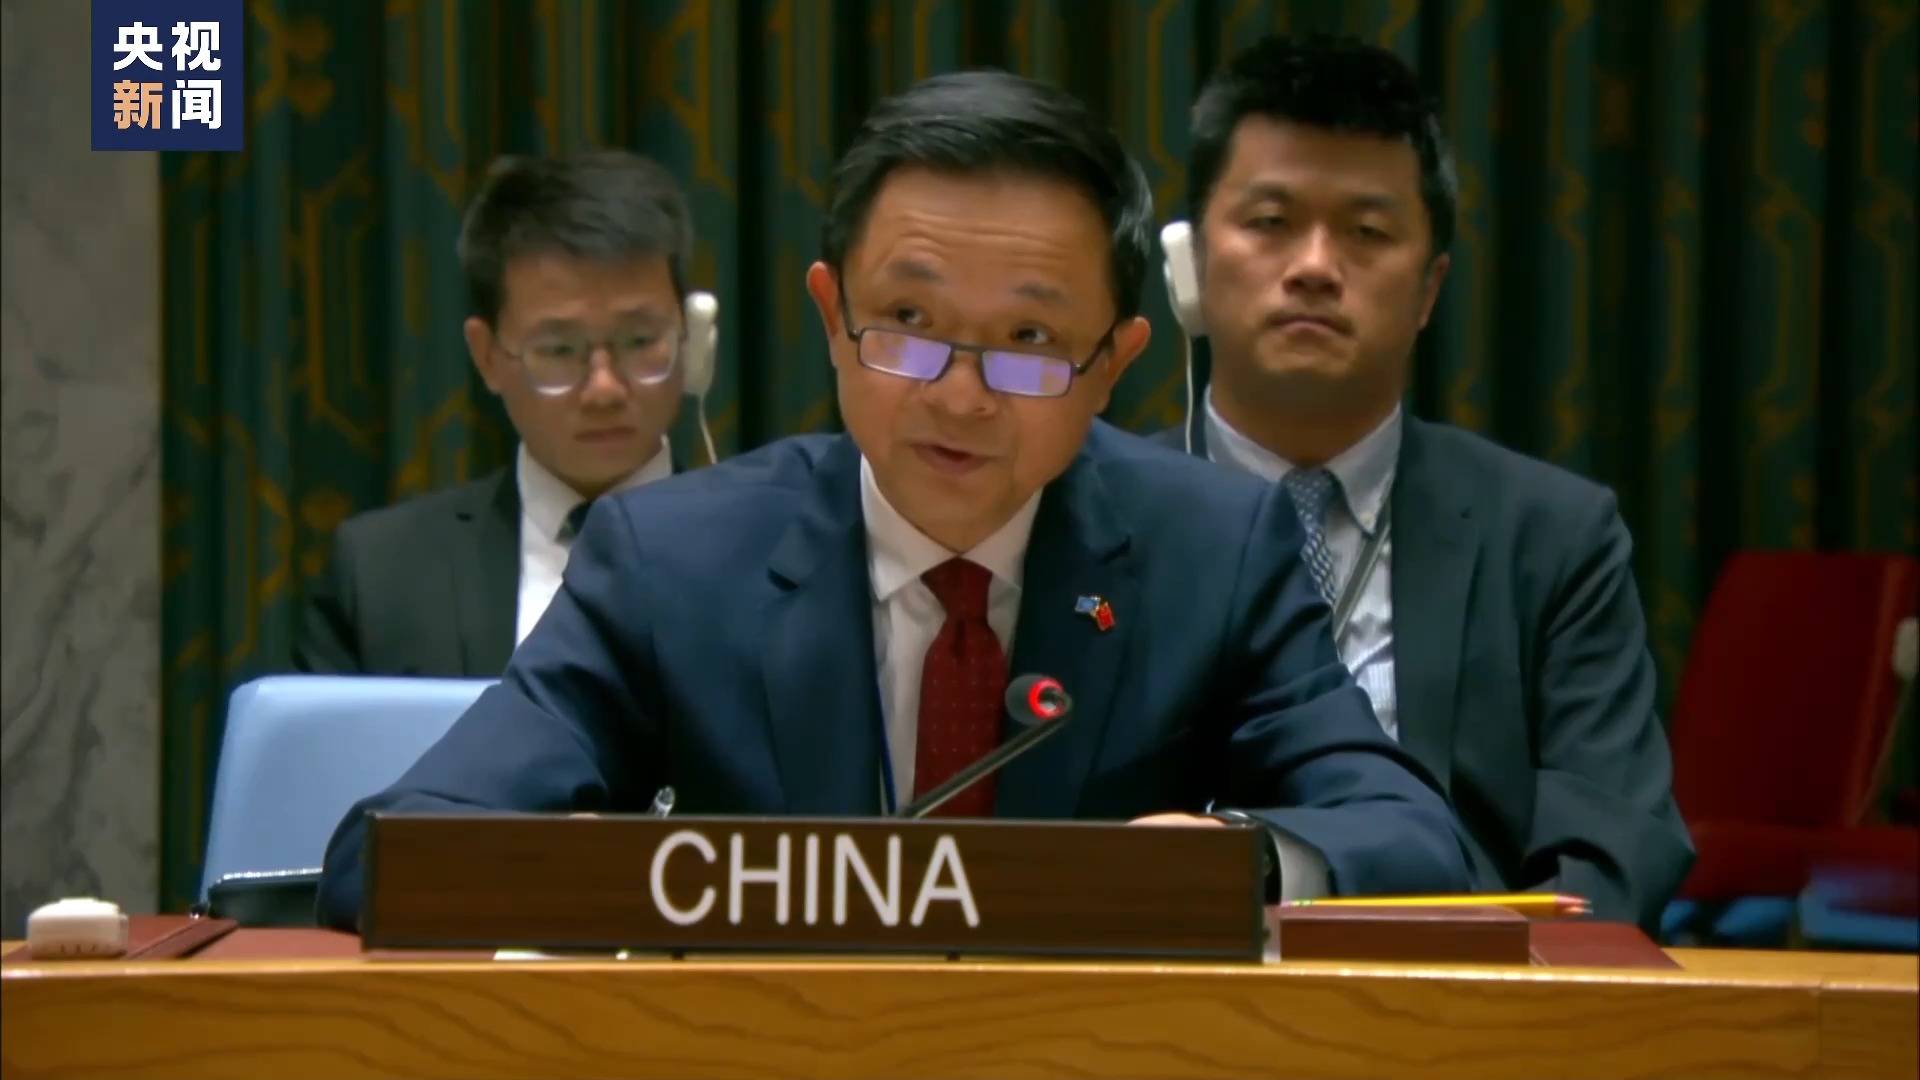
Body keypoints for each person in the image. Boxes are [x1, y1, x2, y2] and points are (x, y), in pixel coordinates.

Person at [316, 70, 1471, 930]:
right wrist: (594, 876)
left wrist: (1242, 861)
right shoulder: (672, 561)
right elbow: (387, 854)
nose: (958, 396)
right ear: (832, 318)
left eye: (1029, 339)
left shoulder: (1209, 552)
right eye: (907, 324)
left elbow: (1414, 839)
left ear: (1112, 364)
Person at [1154, 34, 1692, 930]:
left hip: (1467, 988)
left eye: (1366, 232)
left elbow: (1613, 847)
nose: (1314, 265)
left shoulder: (1552, 534)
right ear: (1193, 264)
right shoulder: (1092, 509)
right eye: (1270, 221)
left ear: (1431, 288)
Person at [293, 149, 699, 677]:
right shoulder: (379, 575)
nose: (604, 389)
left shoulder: (773, 556)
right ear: (487, 356)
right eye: (559, 350)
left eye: (640, 341)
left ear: (691, 336)